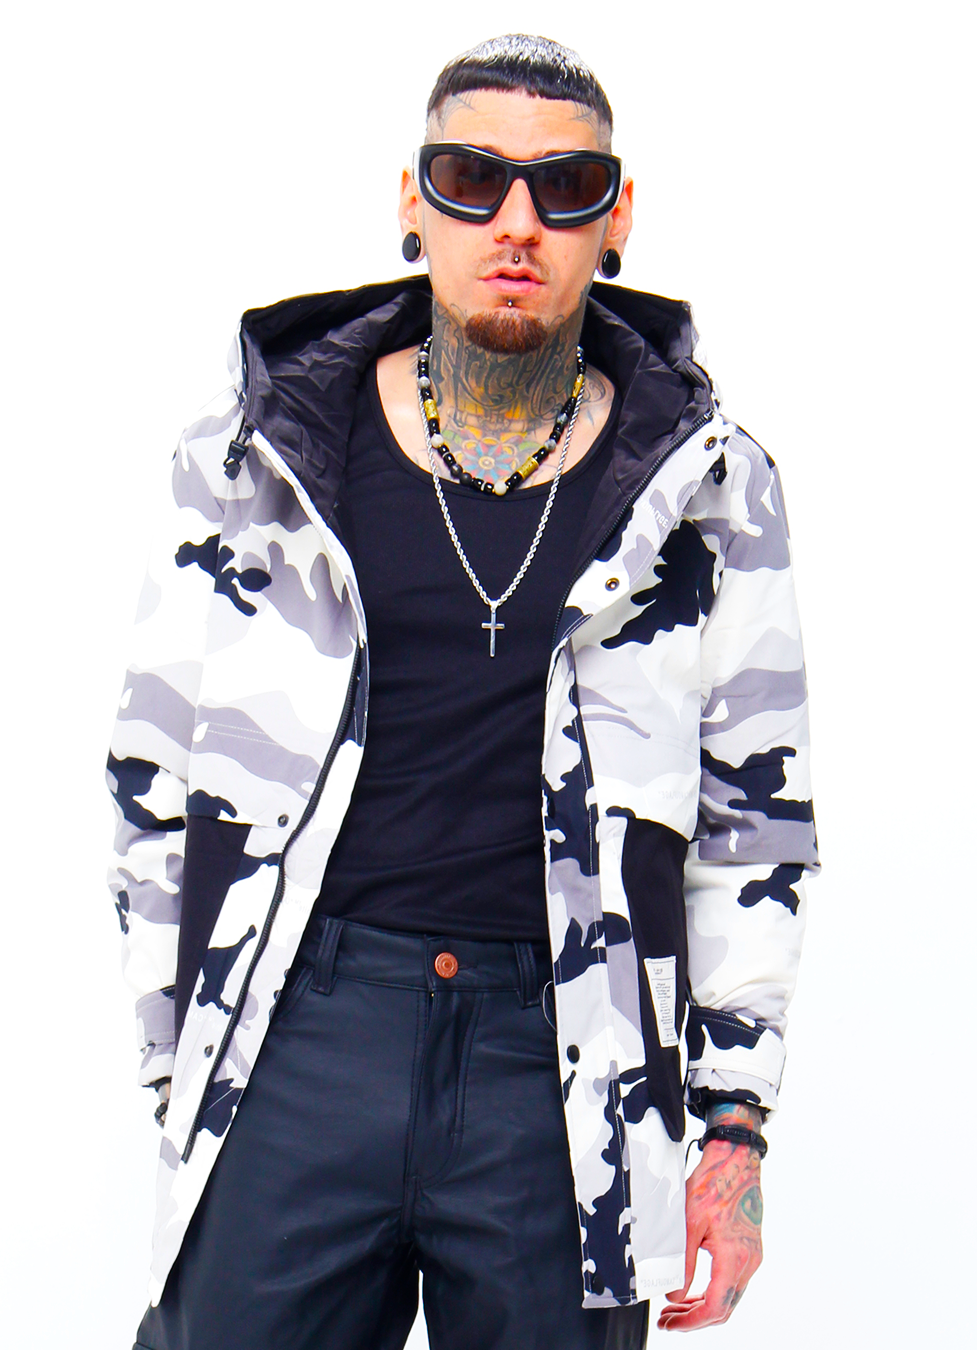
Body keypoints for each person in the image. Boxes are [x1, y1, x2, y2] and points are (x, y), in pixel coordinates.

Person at [107, 33, 818, 1350]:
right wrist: (181, 1050)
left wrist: (733, 1125)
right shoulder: (259, 454)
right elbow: (153, 763)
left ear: (615, 219)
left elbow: (754, 822)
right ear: (411, 201)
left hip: (567, 1061)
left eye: (565, 186)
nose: (516, 223)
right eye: (472, 177)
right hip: (302, 1032)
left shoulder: (711, 487)